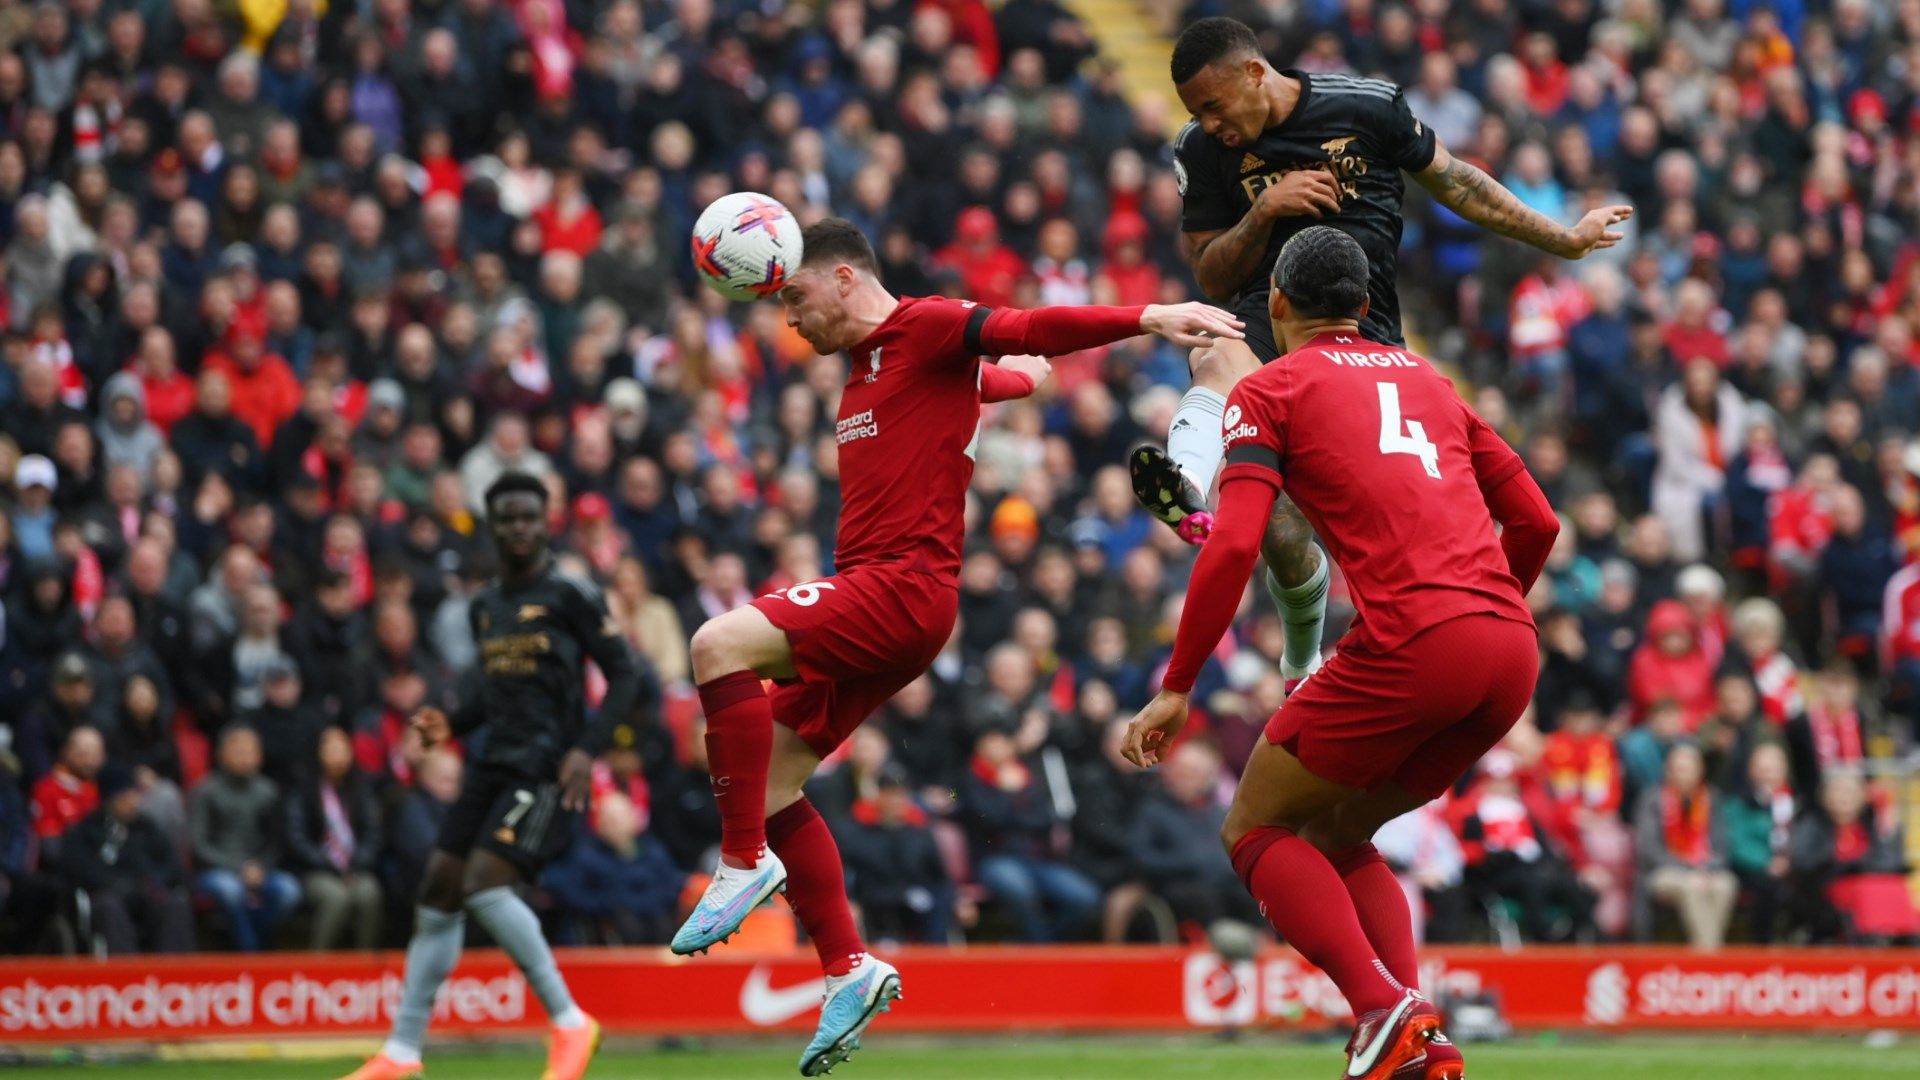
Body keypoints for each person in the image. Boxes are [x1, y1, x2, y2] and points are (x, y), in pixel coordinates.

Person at [671, 217, 1237, 1075]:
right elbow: (997, 374)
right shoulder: (873, 367)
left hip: (898, 590)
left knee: (717, 643)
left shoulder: (924, 325)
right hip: (891, 606)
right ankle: (848, 969)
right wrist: (1020, 381)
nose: (788, 318)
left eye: (794, 295)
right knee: (777, 778)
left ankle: (742, 862)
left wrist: (1147, 315)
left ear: (845, 280)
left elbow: (1024, 325)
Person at [1122, 228, 1559, 1080]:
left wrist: (1177, 686)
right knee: (1339, 830)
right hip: (1509, 653)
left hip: (1413, 643)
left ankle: (1380, 1008)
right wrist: (1487, 608)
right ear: (1364, 307)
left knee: (1255, 828)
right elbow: (1539, 522)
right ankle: (1419, 1037)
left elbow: (1235, 543)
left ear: (1277, 303)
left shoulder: (1273, 388)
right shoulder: (1432, 379)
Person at [1127, 16, 1627, 703]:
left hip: (1361, 334)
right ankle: (1184, 481)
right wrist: (1264, 211)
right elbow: (1211, 275)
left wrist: (1563, 240)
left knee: (1291, 529)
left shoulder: (1365, 105)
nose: (1209, 124)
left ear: (1253, 74)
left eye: (1213, 106)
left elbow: (1459, 183)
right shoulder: (1204, 151)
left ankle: (1304, 661)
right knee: (1217, 352)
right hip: (1268, 318)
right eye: (1195, 112)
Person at [342, 471, 644, 1080]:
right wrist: (449, 725)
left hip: (549, 765)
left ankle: (569, 1022)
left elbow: (628, 675)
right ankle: (402, 1053)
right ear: (491, 524)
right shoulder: (486, 606)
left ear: (546, 522)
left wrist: (586, 749)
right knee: (438, 887)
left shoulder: (571, 595)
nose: (519, 528)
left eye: (529, 516)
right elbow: (496, 693)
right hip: (494, 761)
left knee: (484, 884)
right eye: (507, 518)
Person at [56, 764, 196, 955]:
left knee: (174, 905)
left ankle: (173, 974)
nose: (132, 801)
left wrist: (156, 881)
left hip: (147, 893)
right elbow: (77, 868)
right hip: (109, 893)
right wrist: (115, 883)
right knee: (109, 907)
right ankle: (124, 973)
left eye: (134, 795)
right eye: (125, 796)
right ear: (109, 799)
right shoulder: (87, 830)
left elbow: (172, 864)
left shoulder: (147, 828)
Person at [189, 725, 302, 952]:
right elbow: (198, 844)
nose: (245, 757)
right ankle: (249, 950)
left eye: (250, 751)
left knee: (289, 890)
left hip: (260, 869)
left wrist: (260, 867)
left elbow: (277, 841)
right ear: (222, 755)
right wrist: (238, 868)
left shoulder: (268, 792)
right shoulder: (205, 791)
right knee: (229, 890)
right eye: (238, 751)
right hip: (217, 869)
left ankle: (259, 943)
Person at [286, 726, 385, 951]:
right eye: (330, 748)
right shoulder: (304, 788)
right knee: (336, 898)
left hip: (355, 867)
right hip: (315, 869)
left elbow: (373, 833)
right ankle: (319, 962)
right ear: (317, 752)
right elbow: (297, 839)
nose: (337, 754)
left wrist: (356, 863)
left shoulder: (360, 787)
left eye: (343, 748)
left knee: (370, 893)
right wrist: (331, 866)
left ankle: (364, 963)